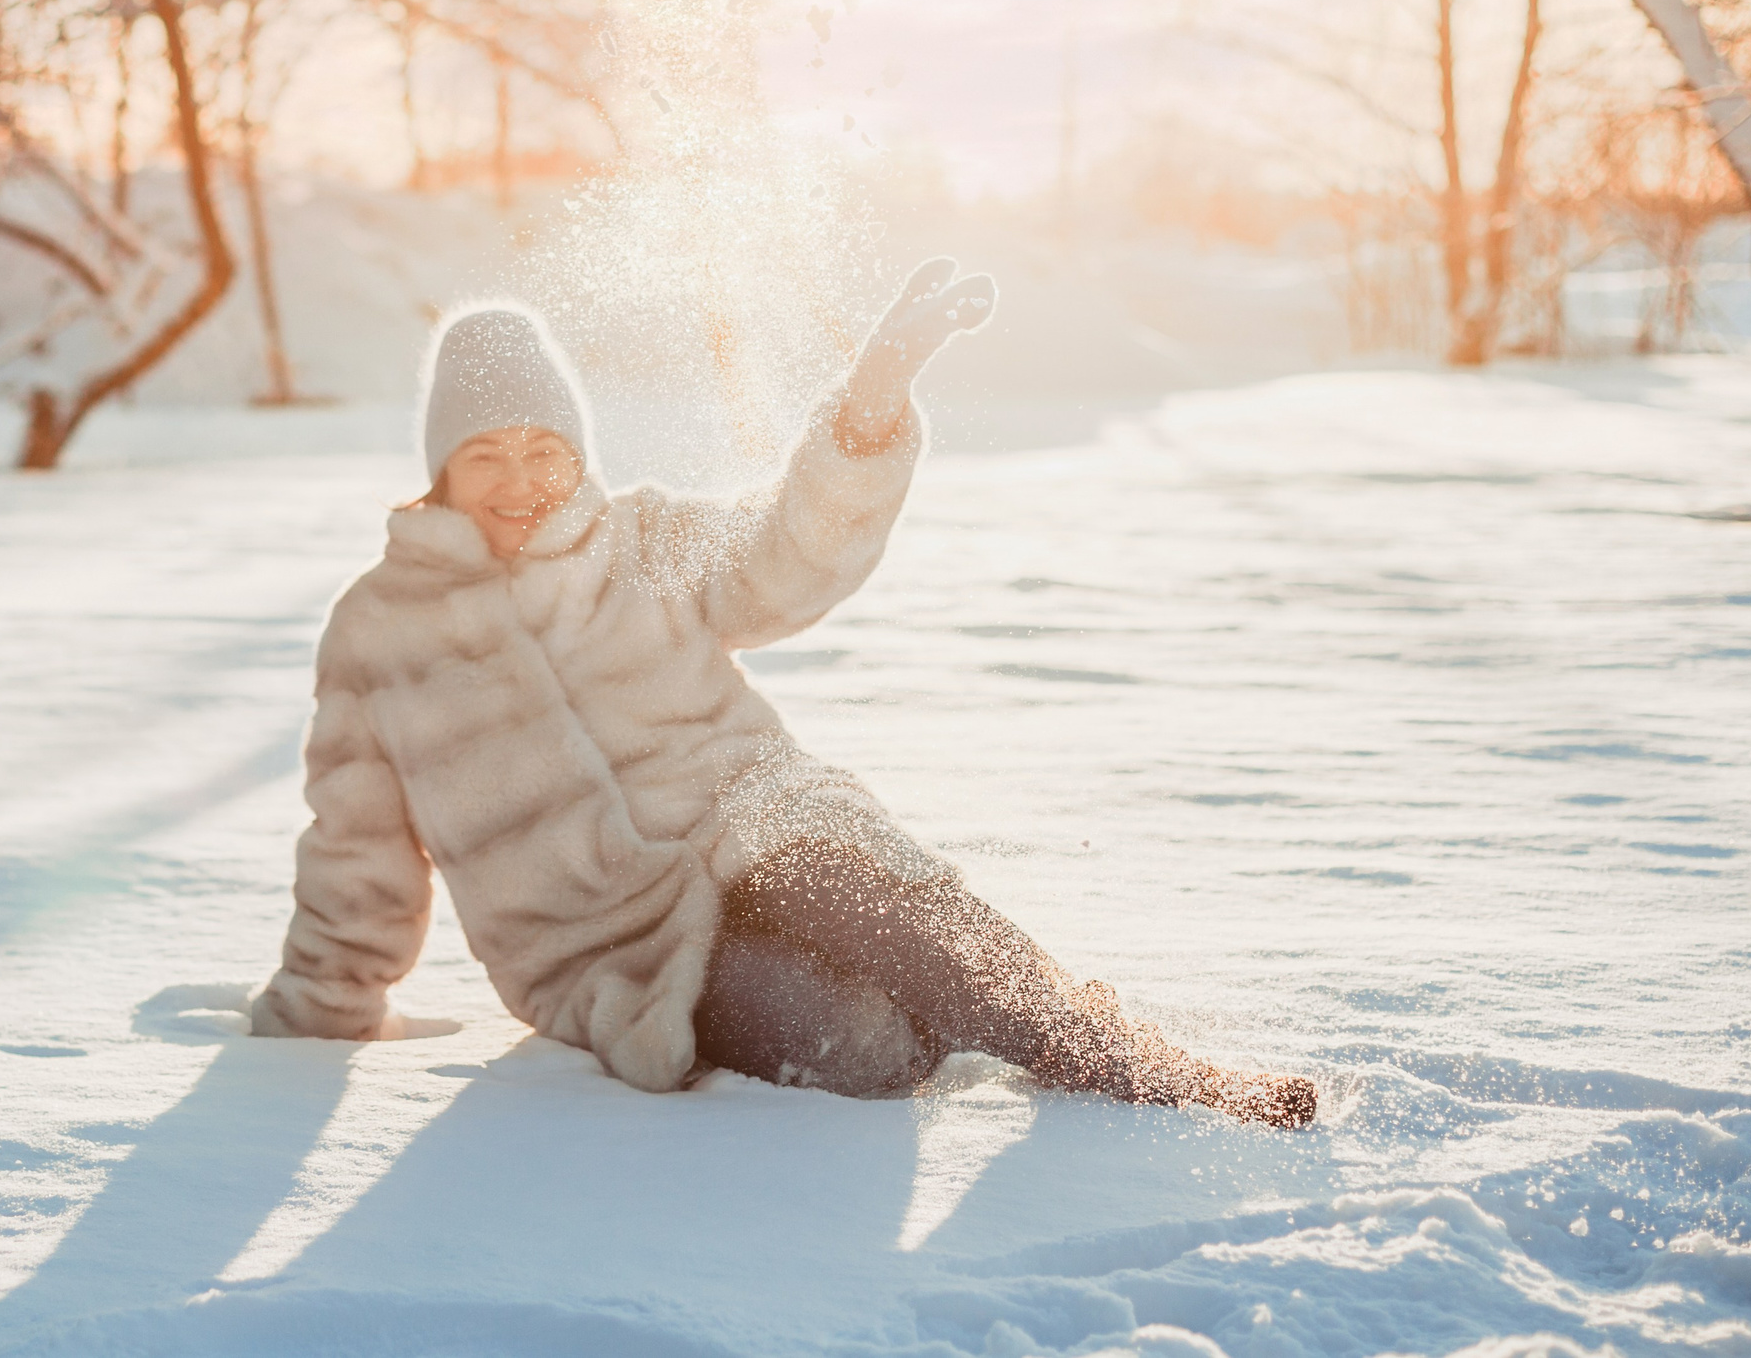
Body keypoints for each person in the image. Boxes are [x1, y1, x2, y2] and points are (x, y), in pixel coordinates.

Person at [247, 260, 1316, 1128]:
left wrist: (866, 411)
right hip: (613, 948)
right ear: (440, 468)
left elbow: (781, 554)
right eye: (486, 454)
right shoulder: (380, 630)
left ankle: (1129, 1064)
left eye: (545, 448)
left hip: (762, 822)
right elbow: (355, 848)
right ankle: (950, 1016)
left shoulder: (643, 540)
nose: (522, 479)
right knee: (865, 1052)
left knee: (923, 941)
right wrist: (321, 1004)